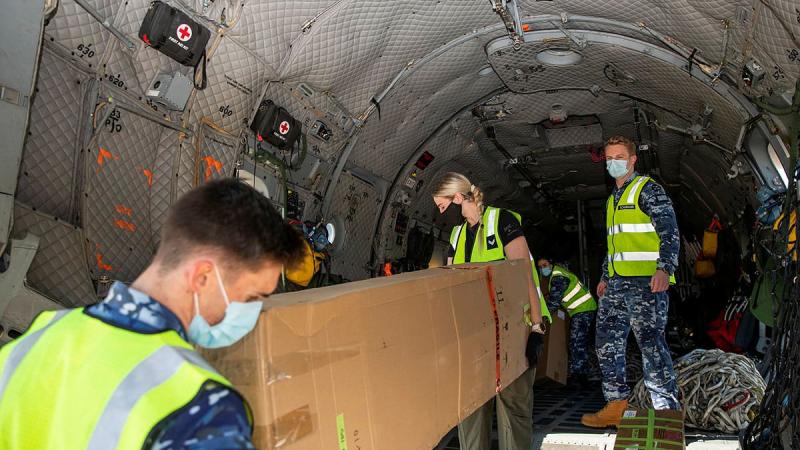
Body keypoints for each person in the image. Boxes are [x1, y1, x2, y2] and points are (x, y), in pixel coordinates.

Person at [0, 179, 305, 449]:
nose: (252, 313)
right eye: (251, 297)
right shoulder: (200, 408)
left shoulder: (41, 336)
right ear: (203, 277)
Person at [433, 172, 549, 450]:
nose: (440, 215)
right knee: (471, 408)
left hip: (517, 327)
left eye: (442, 207)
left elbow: (525, 276)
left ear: (459, 198)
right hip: (478, 330)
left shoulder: (503, 221)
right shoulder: (457, 234)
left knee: (513, 406)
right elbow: (450, 284)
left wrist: (536, 327)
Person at [581, 136, 681, 429]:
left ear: (633, 159)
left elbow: (669, 232)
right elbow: (614, 244)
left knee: (651, 345)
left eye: (620, 157)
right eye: (609, 158)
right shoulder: (614, 198)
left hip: (647, 284)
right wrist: (604, 275)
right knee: (606, 343)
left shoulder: (647, 190)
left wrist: (664, 269)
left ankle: (666, 413)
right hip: (617, 285)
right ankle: (616, 405)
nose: (614, 163)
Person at [537, 258, 597, 386]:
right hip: (581, 310)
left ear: (551, 264)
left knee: (577, 342)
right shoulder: (557, 275)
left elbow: (554, 301)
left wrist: (542, 318)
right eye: (540, 267)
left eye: (545, 265)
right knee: (578, 342)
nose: (543, 268)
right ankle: (580, 374)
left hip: (583, 310)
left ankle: (579, 376)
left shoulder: (558, 277)